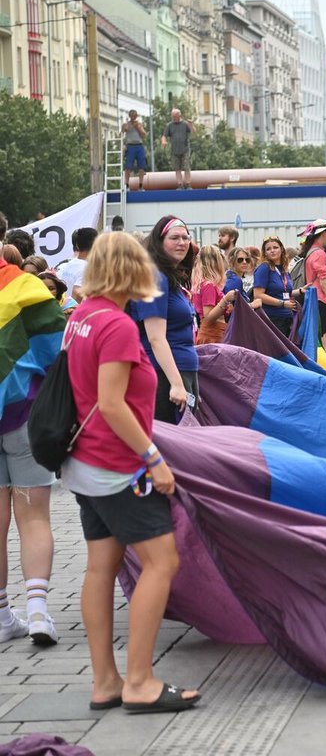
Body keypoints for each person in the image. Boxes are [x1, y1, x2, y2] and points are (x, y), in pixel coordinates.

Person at [62, 231, 201, 714]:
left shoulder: (82, 316)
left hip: (84, 464)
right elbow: (111, 404)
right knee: (161, 563)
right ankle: (140, 681)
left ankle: (106, 681)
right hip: (117, 464)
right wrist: (154, 459)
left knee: (100, 568)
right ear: (131, 269)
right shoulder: (118, 325)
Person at [0, 257, 63, 647]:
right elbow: (56, 351)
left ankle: (3, 615)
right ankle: (38, 610)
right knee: (34, 517)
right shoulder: (26, 286)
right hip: (24, 415)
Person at [130, 216, 199, 423]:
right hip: (164, 375)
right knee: (173, 444)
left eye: (186, 237)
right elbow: (156, 338)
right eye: (174, 238)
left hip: (181, 369)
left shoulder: (170, 278)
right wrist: (177, 384)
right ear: (159, 242)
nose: (182, 242)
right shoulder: (155, 277)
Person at [298, 220, 326, 345]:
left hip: (311, 297)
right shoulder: (319, 253)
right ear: (324, 233)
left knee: (315, 335)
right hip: (320, 299)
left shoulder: (310, 251)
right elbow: (323, 282)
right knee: (323, 336)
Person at [253, 236, 298, 336]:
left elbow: (285, 292)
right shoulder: (264, 268)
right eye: (268, 249)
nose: (272, 251)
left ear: (281, 249)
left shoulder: (284, 269)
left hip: (287, 318)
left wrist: (300, 291)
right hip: (272, 318)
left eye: (275, 247)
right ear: (265, 253)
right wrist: (282, 303)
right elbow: (258, 295)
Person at [193, 245, 236, 346]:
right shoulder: (208, 285)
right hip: (212, 335)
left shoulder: (203, 284)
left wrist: (225, 307)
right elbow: (208, 316)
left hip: (213, 333)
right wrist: (225, 300)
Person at [55, 226, 97, 303]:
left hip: (63, 308)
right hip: (72, 312)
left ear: (77, 245)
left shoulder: (69, 264)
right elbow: (77, 293)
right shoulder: (88, 268)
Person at [160, 109, 195, 190]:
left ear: (179, 116)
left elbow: (193, 132)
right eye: (172, 117)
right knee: (177, 168)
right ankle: (180, 184)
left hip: (185, 149)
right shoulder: (169, 125)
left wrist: (191, 125)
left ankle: (188, 184)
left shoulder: (185, 124)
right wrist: (164, 141)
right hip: (174, 150)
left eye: (175, 117)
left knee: (187, 167)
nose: (173, 118)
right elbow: (164, 135)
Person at [121, 110, 148, 191]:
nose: (133, 117)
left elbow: (144, 135)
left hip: (139, 145)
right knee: (128, 166)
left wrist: (138, 127)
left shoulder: (140, 124)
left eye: (134, 115)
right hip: (130, 146)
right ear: (129, 116)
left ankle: (141, 185)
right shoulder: (126, 124)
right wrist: (123, 129)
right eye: (131, 115)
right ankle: (127, 184)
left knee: (142, 166)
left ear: (136, 116)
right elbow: (121, 134)